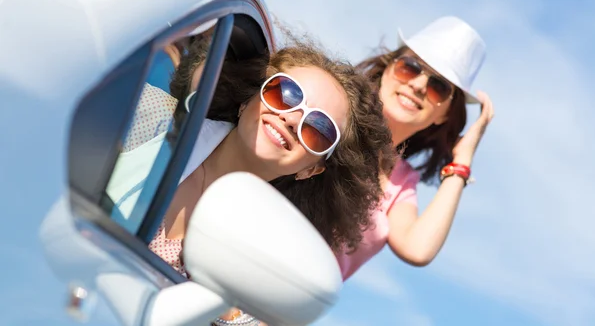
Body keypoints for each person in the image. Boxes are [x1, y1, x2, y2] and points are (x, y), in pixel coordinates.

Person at [124, 37, 393, 325]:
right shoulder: (150, 117)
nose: (291, 118)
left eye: (317, 127)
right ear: (250, 98)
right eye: (285, 94)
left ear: (311, 169)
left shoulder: (271, 265)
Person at [336, 16, 495, 280]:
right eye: (410, 67)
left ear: (444, 114)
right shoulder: (331, 114)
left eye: (439, 87)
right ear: (386, 70)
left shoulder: (402, 181)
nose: (419, 85)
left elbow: (418, 249)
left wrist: (463, 160)